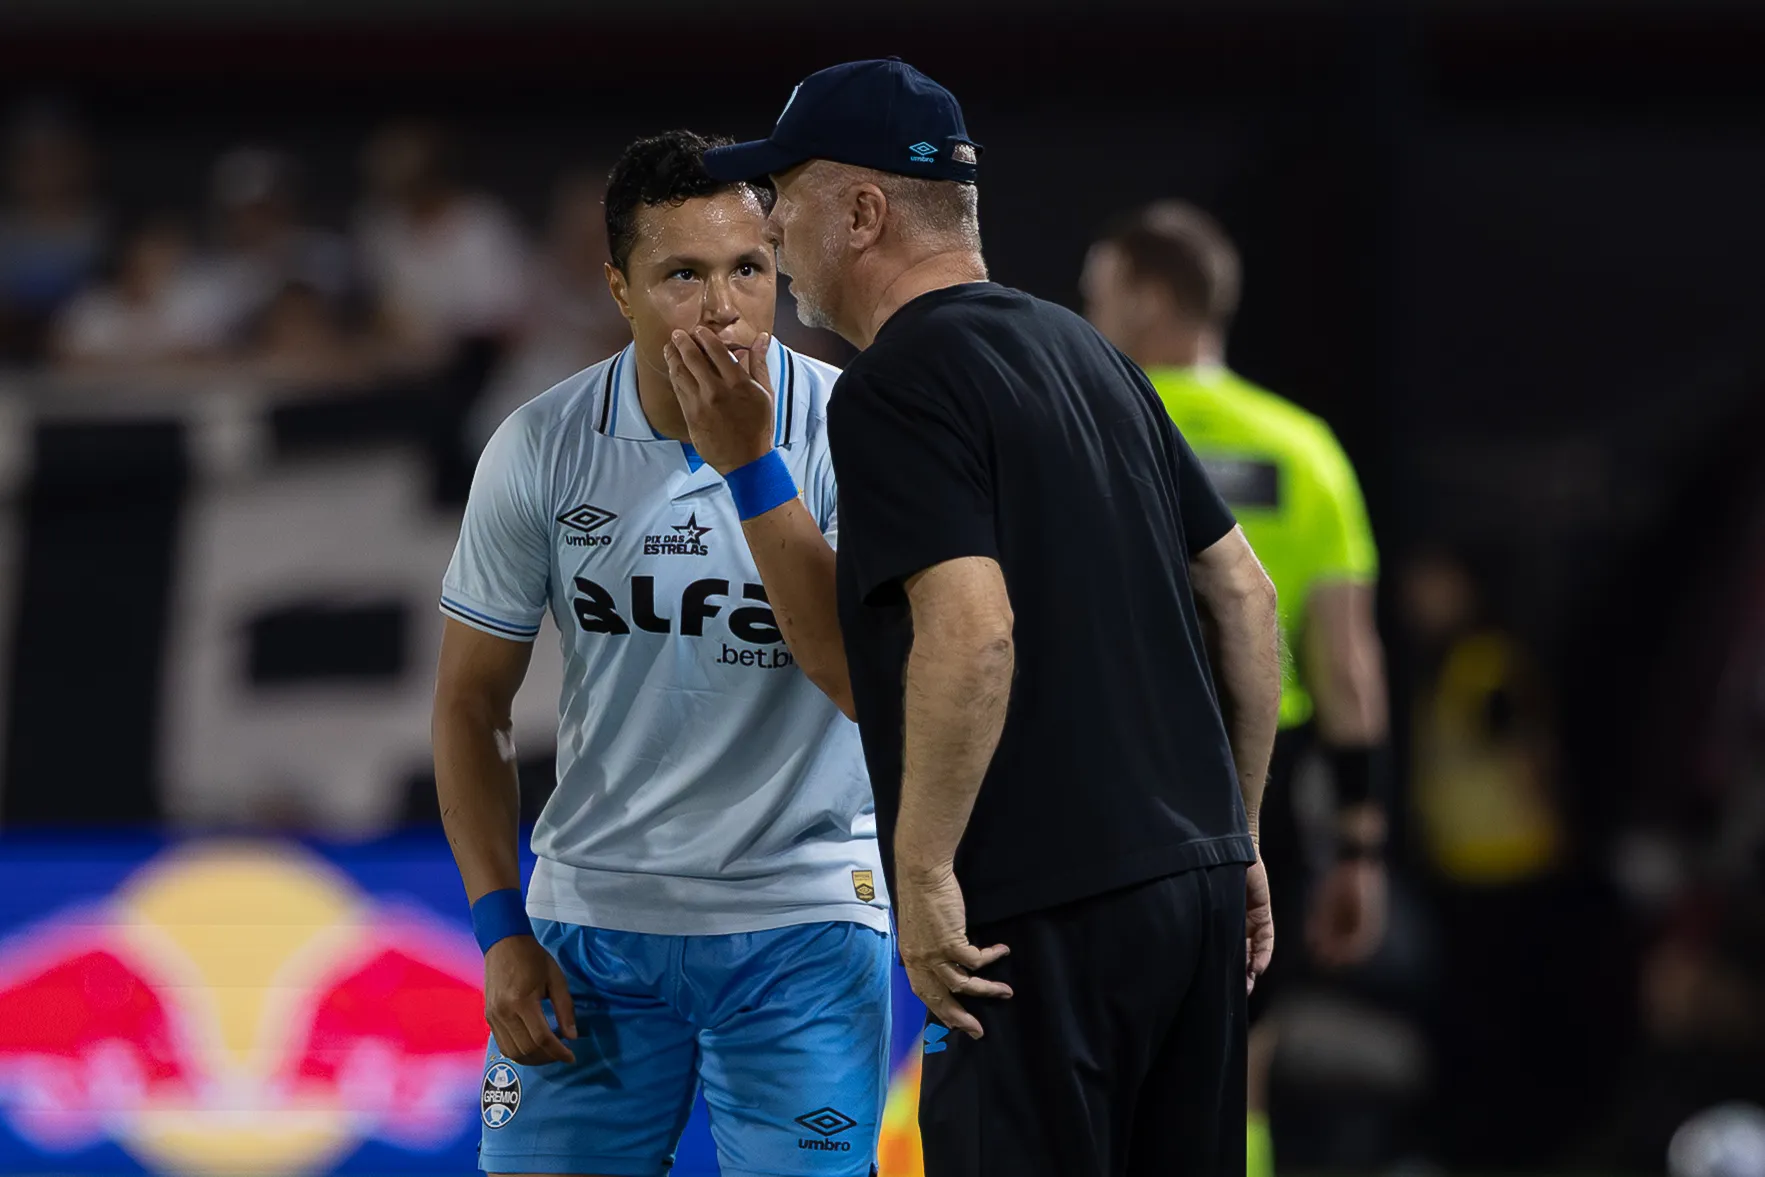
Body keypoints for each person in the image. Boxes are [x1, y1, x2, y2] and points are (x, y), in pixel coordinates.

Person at [694, 60, 1282, 1177]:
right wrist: (1235, 834)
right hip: (1192, 894)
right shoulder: (1093, 356)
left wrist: (922, 875)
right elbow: (1243, 599)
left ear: (863, 211)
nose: (770, 225)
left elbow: (972, 627)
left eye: (786, 191)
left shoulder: (901, 379)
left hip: (1040, 920)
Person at [432, 130, 891, 1177]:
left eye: (748, 269)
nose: (722, 307)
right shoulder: (540, 446)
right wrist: (501, 927)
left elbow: (866, 683)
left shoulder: (851, 431)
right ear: (618, 288)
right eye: (682, 274)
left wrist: (750, 467)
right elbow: (470, 704)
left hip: (804, 923)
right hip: (587, 931)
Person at [1082, 200, 1393, 1177]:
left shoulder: (1086, 423)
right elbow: (1347, 668)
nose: (1086, 314)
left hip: (1102, 779)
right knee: (1234, 1065)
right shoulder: (1303, 451)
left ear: (1145, 292)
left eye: (1096, 293)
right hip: (1254, 798)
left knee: (1090, 1062)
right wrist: (1357, 844)